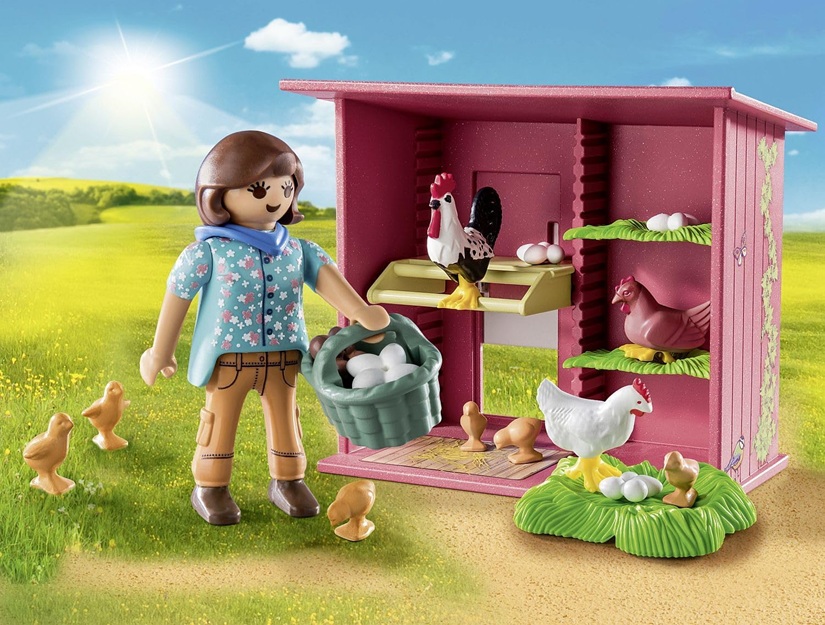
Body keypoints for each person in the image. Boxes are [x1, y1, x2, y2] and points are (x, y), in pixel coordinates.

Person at [140, 130, 389, 526]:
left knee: (286, 418)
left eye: (285, 187)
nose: (275, 197)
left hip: (283, 356)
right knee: (219, 420)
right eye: (259, 188)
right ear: (218, 194)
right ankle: (210, 485)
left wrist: (359, 310)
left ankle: (289, 480)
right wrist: (160, 351)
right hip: (228, 359)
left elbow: (326, 279)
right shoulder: (209, 251)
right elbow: (178, 297)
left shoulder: (296, 249)